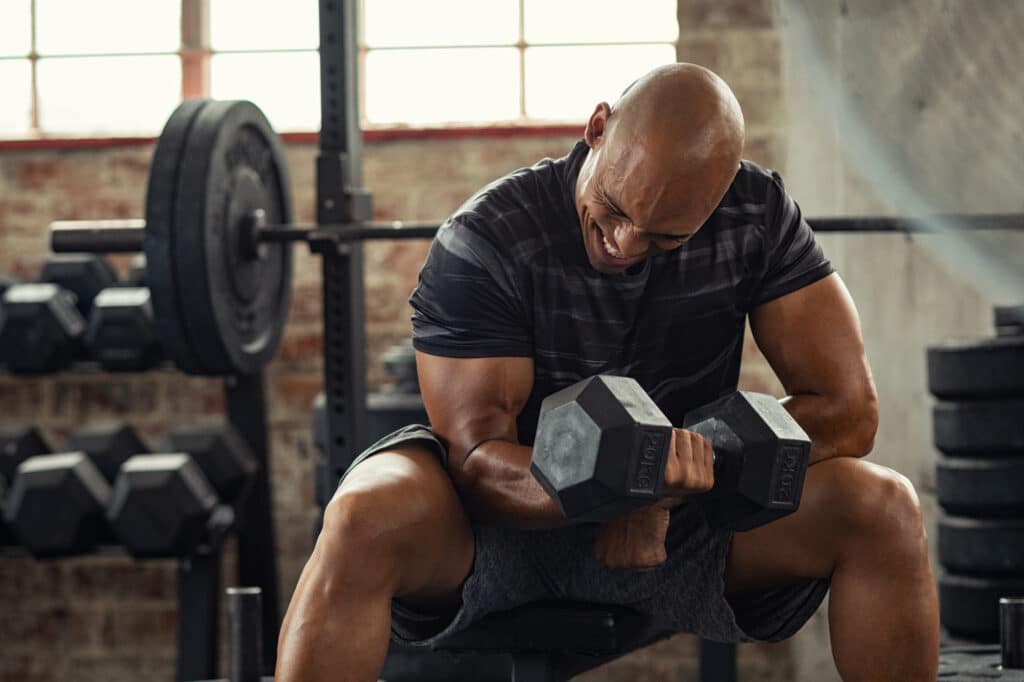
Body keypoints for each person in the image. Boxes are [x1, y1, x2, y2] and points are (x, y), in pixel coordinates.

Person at [275, 63, 939, 682]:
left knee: (884, 509)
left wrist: (669, 488)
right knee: (364, 511)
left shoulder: (755, 215)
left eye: (663, 237)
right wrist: (620, 488)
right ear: (597, 128)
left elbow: (850, 410)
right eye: (616, 211)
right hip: (502, 532)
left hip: (688, 527)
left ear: (718, 199)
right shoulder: (489, 237)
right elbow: (477, 462)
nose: (624, 245)